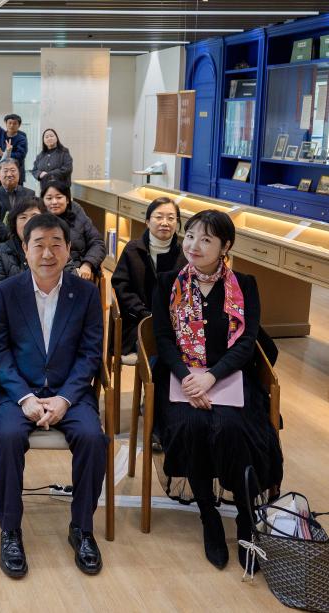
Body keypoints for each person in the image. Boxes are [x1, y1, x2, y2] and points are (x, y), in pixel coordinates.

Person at [151, 210, 282, 572]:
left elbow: (247, 343)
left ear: (225, 246)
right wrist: (187, 377)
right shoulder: (167, 283)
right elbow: (163, 339)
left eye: (206, 239)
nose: (194, 245)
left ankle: (243, 517)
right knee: (191, 426)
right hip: (181, 378)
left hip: (229, 376)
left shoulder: (245, 284)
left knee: (233, 428)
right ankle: (208, 515)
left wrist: (210, 376)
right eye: (190, 235)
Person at [0, 213, 107, 579]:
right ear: (25, 250)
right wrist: (24, 397)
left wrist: (65, 399)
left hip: (69, 393)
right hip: (16, 391)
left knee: (92, 437)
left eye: (57, 244)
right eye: (38, 244)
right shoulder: (7, 293)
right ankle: (11, 530)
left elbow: (90, 353)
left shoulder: (85, 293)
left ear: (69, 249)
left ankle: (82, 528)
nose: (48, 253)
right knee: (7, 438)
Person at [111, 196, 185, 355]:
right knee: (157, 348)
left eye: (171, 218)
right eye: (159, 217)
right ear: (147, 221)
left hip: (175, 326)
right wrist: (145, 314)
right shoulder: (133, 250)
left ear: (177, 223)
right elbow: (121, 286)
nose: (165, 222)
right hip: (137, 322)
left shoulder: (184, 255)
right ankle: (154, 379)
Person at [41, 181, 104, 282]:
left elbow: (97, 242)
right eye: (49, 198)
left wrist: (87, 264)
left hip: (79, 272)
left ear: (67, 199)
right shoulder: (38, 220)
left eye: (59, 197)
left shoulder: (78, 213)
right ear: (43, 201)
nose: (54, 202)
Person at [0, 197, 48, 295]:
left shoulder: (56, 248)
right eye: (23, 217)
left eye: (34, 216)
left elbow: (70, 282)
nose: (28, 222)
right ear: (14, 223)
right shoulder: (1, 252)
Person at [0, 159, 35, 243]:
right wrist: (10, 235)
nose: (9, 174)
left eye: (13, 170)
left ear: (19, 173)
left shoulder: (29, 194)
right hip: (3, 241)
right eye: (5, 171)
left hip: (26, 238)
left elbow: (32, 216)